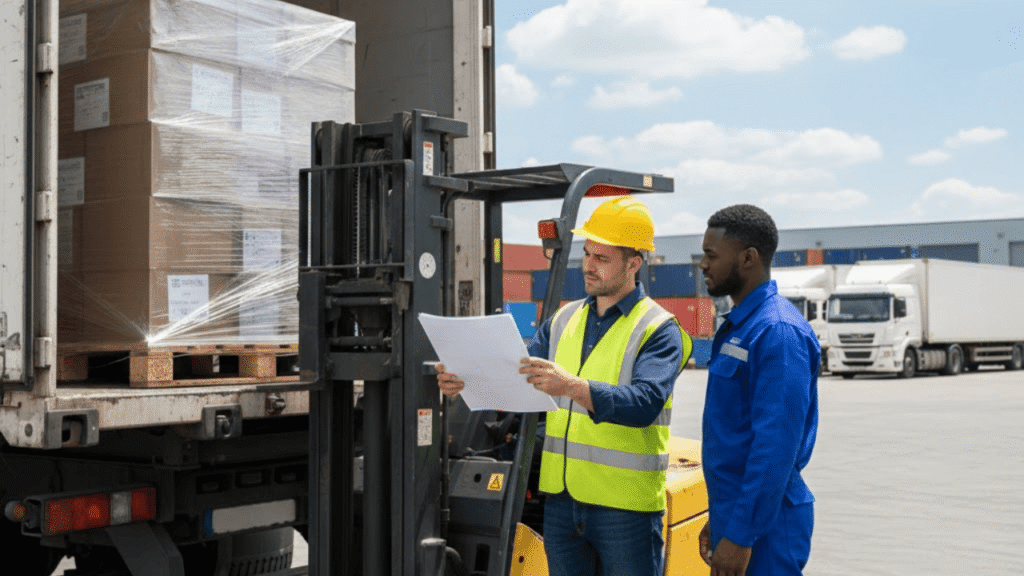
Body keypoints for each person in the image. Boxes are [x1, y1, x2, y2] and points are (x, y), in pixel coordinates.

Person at [437, 196, 692, 576]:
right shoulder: (564, 319)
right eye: (587, 254)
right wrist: (466, 379)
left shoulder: (659, 329)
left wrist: (572, 386)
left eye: (602, 258)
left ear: (633, 263)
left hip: (624, 507)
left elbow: (644, 403)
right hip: (561, 500)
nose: (589, 266)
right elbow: (518, 374)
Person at [696, 204, 819, 576]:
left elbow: (775, 445)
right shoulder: (740, 326)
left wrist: (742, 534)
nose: (703, 264)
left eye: (711, 255)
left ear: (748, 258)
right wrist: (722, 520)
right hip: (740, 514)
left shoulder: (777, 332)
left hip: (767, 523)